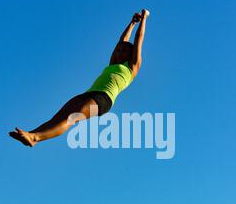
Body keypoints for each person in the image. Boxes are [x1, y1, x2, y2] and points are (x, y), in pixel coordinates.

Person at [9, 9, 150, 147]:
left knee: (71, 118)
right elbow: (122, 40)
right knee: (59, 116)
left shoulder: (132, 67)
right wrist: (132, 23)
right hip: (88, 94)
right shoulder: (113, 63)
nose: (119, 52)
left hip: (104, 100)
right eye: (118, 50)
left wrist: (144, 19)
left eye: (124, 51)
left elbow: (138, 39)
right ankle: (30, 134)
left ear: (130, 54)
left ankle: (35, 137)